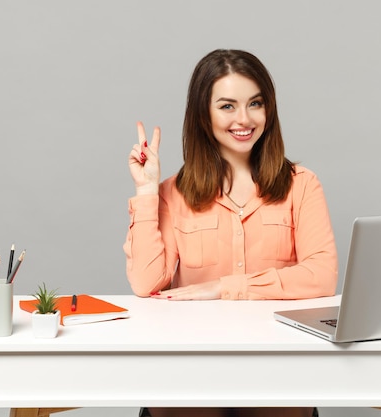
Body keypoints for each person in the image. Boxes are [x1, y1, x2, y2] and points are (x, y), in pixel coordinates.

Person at [124, 49, 338, 417]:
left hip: (279, 358)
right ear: (203, 116)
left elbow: (321, 276)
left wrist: (225, 287)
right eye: (227, 106)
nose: (244, 119)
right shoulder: (172, 193)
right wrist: (146, 191)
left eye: (255, 103)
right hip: (191, 357)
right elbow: (146, 283)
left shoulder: (302, 185)